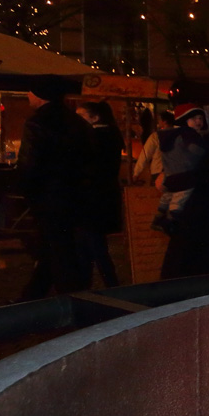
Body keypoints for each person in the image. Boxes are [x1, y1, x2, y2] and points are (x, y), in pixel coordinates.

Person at [16, 76, 95, 299]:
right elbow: (90, 159)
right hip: (75, 195)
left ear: (40, 96)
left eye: (31, 92)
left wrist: (28, 193)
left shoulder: (37, 123)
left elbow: (28, 165)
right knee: (55, 247)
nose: (28, 96)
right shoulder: (77, 122)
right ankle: (32, 296)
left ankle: (73, 300)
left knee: (59, 250)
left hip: (48, 197)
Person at [159, 103, 209, 278]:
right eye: (194, 118)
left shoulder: (174, 138)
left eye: (200, 118)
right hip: (196, 197)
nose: (198, 122)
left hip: (186, 193)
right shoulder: (192, 139)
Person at [76, 101, 124, 287]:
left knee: (94, 244)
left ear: (95, 118)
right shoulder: (109, 135)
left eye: (82, 116)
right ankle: (89, 284)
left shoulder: (95, 137)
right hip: (102, 197)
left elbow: (88, 168)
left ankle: (110, 284)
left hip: (92, 198)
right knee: (90, 244)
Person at [134, 111, 176, 229]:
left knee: (159, 202)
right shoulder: (179, 134)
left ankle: (160, 225)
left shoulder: (156, 136)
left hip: (159, 172)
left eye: (159, 119)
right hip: (175, 172)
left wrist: (136, 172)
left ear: (164, 121)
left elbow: (145, 155)